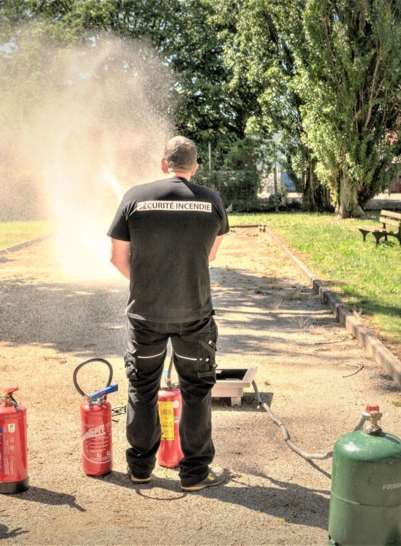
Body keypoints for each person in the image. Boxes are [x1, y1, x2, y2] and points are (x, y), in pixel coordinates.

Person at [107, 136, 229, 491]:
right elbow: (209, 256)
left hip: (145, 314)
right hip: (194, 313)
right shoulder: (211, 201)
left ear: (163, 164)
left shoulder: (134, 197)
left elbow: (117, 258)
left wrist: (147, 282)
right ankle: (194, 474)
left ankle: (141, 469)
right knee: (196, 389)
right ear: (194, 167)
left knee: (142, 386)